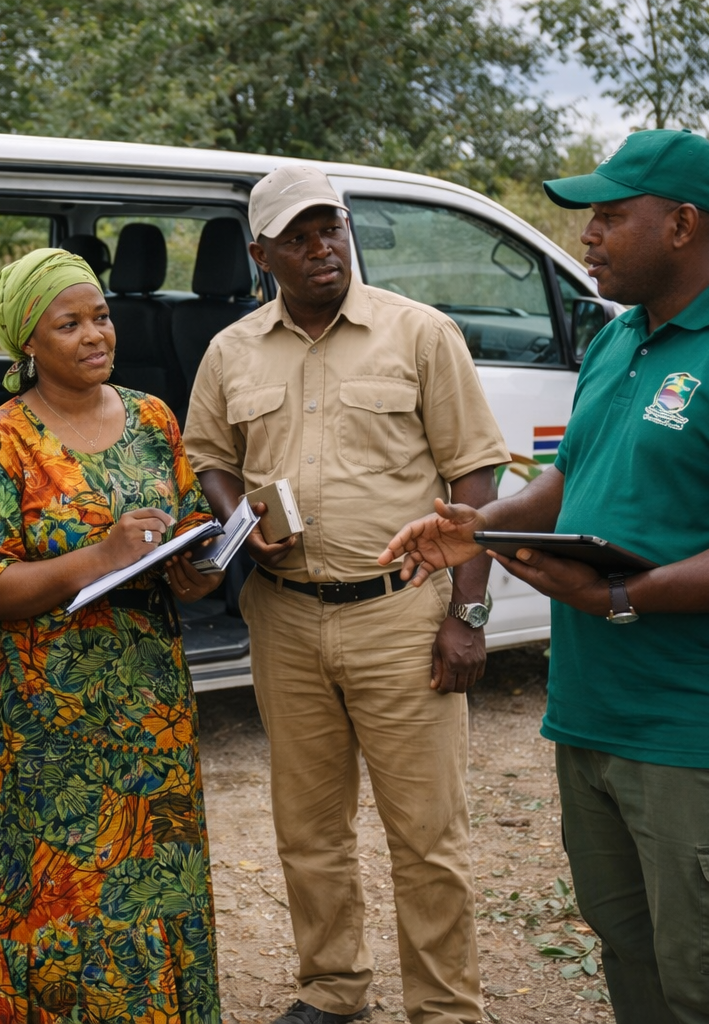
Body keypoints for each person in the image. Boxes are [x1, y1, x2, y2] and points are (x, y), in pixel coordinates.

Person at [378, 130, 709, 1024]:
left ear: (681, 225)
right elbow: (574, 475)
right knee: (634, 961)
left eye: (608, 216)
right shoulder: (620, 339)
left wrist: (623, 597)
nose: (589, 236)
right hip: (597, 718)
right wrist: (482, 527)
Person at [183, 165, 508, 1024]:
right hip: (284, 617)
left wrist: (468, 614)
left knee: (427, 834)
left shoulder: (420, 333)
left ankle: (446, 1008)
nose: (322, 247)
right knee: (309, 827)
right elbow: (208, 455)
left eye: (331, 227)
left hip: (401, 612)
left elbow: (476, 476)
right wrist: (241, 521)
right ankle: (333, 988)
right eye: (298, 236)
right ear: (261, 256)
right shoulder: (232, 350)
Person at [0, 248, 224, 1023]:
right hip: (46, 724)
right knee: (58, 892)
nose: (95, 334)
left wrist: (196, 570)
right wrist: (100, 557)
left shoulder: (153, 419)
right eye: (68, 324)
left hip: (150, 711)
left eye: (100, 316)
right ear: (27, 343)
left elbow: (192, 527)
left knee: (152, 878)